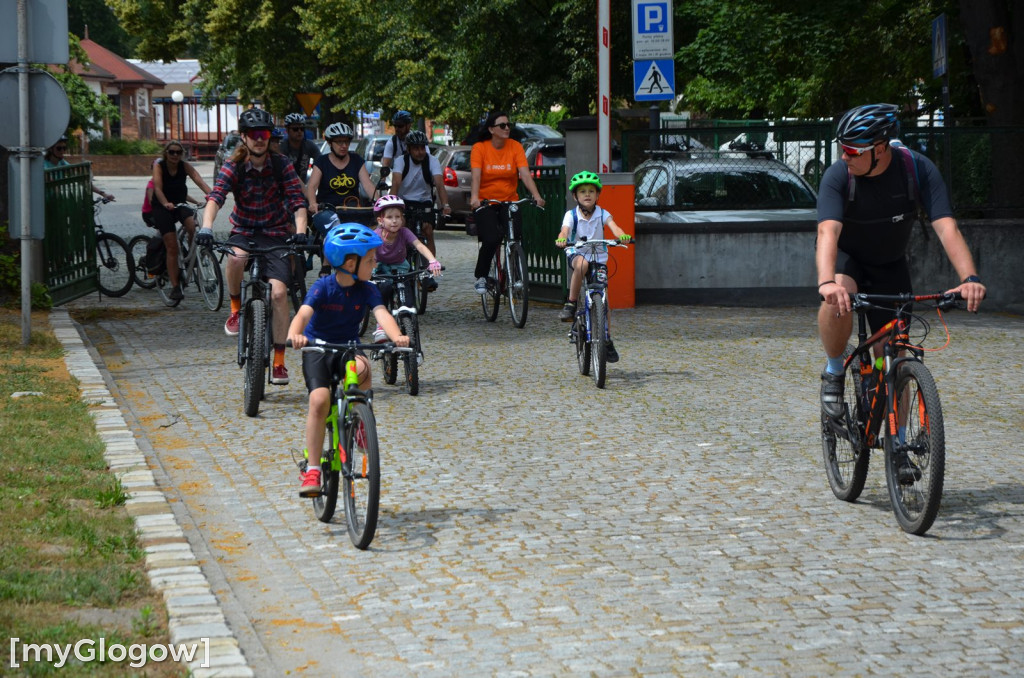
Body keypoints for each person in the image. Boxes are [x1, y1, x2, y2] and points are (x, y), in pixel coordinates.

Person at [817, 103, 986, 422]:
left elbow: (946, 226)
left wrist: (969, 278)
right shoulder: (839, 176)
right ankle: (834, 371)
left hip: (889, 265)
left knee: (894, 359)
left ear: (879, 149)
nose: (844, 157)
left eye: (852, 151)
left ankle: (902, 447)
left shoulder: (916, 169)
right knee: (838, 294)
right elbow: (827, 230)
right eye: (842, 149)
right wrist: (826, 282)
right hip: (847, 259)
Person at [287, 221, 410, 497]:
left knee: (364, 369)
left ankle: (361, 421)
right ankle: (314, 469)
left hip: (347, 347)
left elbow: (382, 315)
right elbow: (303, 315)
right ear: (349, 263)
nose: (375, 264)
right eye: (370, 260)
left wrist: (397, 336)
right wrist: (295, 334)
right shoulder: (322, 287)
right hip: (317, 349)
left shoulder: (367, 289)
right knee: (319, 400)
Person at [198, 108, 310, 386]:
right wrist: (206, 227)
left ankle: (280, 362)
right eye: (253, 135)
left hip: (275, 234)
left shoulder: (281, 163)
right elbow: (216, 197)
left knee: (280, 294)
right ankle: (236, 309)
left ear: (270, 137)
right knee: (236, 259)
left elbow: (298, 202)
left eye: (264, 134)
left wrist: (299, 232)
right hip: (244, 231)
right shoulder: (233, 164)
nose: (259, 139)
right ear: (244, 138)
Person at [554, 171, 631, 362]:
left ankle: (606, 338)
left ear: (597, 195)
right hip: (577, 252)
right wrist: (563, 238)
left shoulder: (602, 213)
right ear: (575, 196)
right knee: (582, 264)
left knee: (603, 298)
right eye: (582, 192)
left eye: (591, 191)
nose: (587, 194)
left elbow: (614, 227)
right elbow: (565, 230)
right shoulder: (571, 215)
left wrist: (622, 235)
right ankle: (571, 303)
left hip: (599, 256)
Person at [469, 111, 546, 294]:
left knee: (516, 236)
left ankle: (512, 273)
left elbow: (525, 174)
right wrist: (475, 198)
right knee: (491, 238)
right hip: (486, 202)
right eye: (502, 125)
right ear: (491, 129)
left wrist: (536, 195)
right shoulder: (480, 148)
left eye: (508, 125)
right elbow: (476, 176)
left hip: (509, 200)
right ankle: (482, 276)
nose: (506, 128)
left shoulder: (515, 147)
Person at [368, 195, 442, 343]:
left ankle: (409, 326)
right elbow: (367, 253)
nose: (394, 220)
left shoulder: (404, 232)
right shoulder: (375, 235)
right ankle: (381, 326)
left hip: (400, 267)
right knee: (384, 288)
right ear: (380, 221)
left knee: (407, 295)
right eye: (389, 217)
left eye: (398, 217)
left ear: (402, 219)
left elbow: (420, 245)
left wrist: (432, 260)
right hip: (380, 267)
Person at [151, 140, 213, 300]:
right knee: (172, 246)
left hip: (179, 204)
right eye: (172, 152)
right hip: (162, 207)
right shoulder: (160, 166)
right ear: (166, 153)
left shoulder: (184, 166)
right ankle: (175, 286)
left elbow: (198, 179)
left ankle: (190, 256)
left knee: (193, 224)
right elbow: (157, 188)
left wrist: (212, 195)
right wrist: (165, 203)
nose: (175, 155)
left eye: (178, 152)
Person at [390, 130, 450, 288]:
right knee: (399, 230)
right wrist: (391, 205)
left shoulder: (432, 161)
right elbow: (396, 183)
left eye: (422, 148)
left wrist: (445, 205)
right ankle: (397, 266)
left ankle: (428, 271)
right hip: (403, 202)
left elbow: (439, 184)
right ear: (409, 149)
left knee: (427, 230)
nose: (420, 152)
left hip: (424, 202)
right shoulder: (400, 161)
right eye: (416, 148)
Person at [306, 122, 379, 225]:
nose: (344, 146)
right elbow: (312, 187)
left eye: (346, 142)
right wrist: (313, 203)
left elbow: (368, 185)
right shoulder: (322, 162)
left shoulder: (356, 160)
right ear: (330, 143)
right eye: (339, 142)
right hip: (327, 212)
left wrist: (380, 203)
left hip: (352, 210)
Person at [44, 135, 115, 202]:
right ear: (50, 149)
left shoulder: (62, 162)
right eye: (59, 148)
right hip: (45, 205)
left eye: (64, 148)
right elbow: (52, 184)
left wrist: (103, 194)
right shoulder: (44, 165)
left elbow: (81, 180)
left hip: (56, 203)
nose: (62, 151)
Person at [281, 113, 321, 185]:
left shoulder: (310, 146)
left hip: (302, 188)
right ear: (287, 130)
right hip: (285, 187)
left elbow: (321, 163)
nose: (299, 131)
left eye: (302, 129)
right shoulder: (282, 147)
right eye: (295, 129)